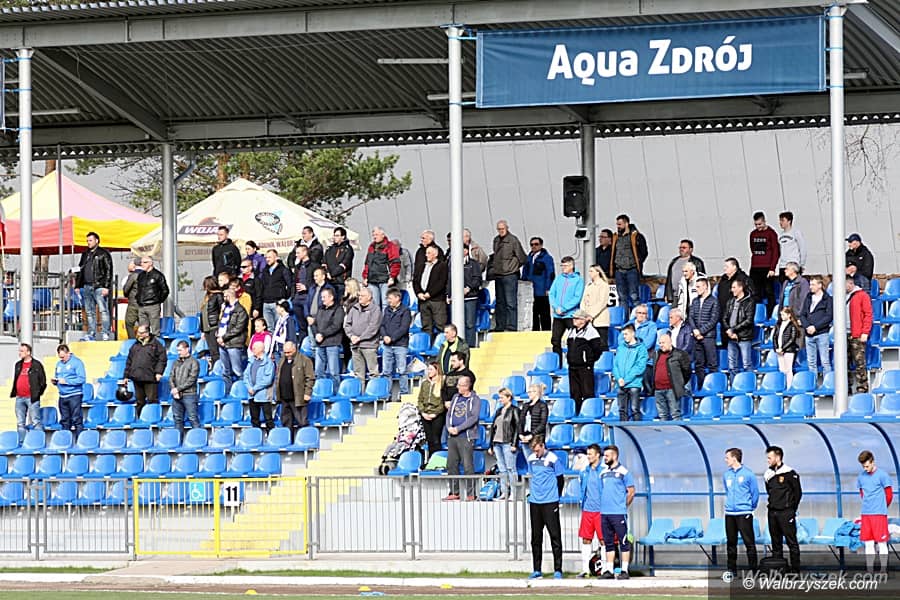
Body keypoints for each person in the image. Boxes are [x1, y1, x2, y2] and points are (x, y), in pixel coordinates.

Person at [526, 438, 565, 580]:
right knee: (536, 538)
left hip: (550, 502)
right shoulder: (531, 459)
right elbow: (533, 476)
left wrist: (556, 497)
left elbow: (560, 479)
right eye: (534, 451)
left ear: (543, 446)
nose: (536, 453)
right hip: (535, 502)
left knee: (555, 536)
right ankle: (537, 570)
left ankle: (558, 569)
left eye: (537, 450)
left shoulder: (553, 459)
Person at [596, 445, 636, 580]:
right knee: (608, 543)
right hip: (605, 513)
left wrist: (622, 506)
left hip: (618, 513)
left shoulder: (624, 472)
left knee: (623, 541)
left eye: (607, 456)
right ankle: (609, 570)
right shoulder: (603, 473)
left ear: (614, 456)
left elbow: (631, 492)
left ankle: (624, 570)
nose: (605, 458)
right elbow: (601, 490)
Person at [443, 375, 482, 502]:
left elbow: (473, 418)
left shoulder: (475, 399)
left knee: (467, 465)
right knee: (451, 464)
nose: (457, 387)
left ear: (467, 386)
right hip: (452, 436)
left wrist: (459, 428)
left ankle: (471, 493)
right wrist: (449, 427)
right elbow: (449, 415)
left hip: (466, 437)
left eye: (460, 385)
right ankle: (454, 492)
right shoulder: (455, 397)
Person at [764, 445, 803, 574]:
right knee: (776, 542)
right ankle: (778, 570)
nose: (768, 460)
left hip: (786, 512)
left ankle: (795, 571)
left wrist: (791, 509)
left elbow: (798, 493)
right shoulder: (768, 474)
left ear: (778, 457)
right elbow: (769, 491)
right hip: (772, 512)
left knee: (792, 542)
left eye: (770, 458)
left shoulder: (790, 473)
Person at [723, 447, 759, 575]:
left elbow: (755, 493)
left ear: (734, 458)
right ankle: (731, 570)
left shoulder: (749, 474)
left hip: (744, 513)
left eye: (727, 457)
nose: (725, 460)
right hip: (729, 514)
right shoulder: (726, 475)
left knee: (749, 543)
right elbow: (727, 491)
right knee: (731, 543)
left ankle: (753, 570)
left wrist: (749, 507)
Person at [857, 450, 893, 575]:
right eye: (863, 466)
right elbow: (862, 493)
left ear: (872, 462)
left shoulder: (883, 475)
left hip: (879, 514)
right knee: (868, 543)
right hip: (866, 514)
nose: (865, 469)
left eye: (867, 466)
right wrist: (869, 505)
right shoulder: (861, 477)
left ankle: (883, 570)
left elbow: (889, 495)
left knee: (882, 543)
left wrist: (881, 507)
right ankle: (870, 570)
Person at [76, 231, 114, 341]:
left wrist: (106, 286)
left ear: (96, 241)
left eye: (90, 240)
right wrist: (78, 285)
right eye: (87, 241)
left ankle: (105, 332)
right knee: (89, 312)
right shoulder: (85, 254)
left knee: (103, 310)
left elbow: (109, 270)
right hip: (87, 286)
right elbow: (80, 269)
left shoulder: (104, 253)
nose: (88, 242)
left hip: (99, 286)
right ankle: (91, 333)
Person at [566, 310, 604, 415]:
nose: (574, 320)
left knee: (587, 392)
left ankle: (589, 414)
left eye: (576, 318)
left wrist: (588, 361)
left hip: (585, 368)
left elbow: (597, 349)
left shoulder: (591, 332)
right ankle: (577, 413)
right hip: (572, 367)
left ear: (583, 320)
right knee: (574, 393)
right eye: (574, 318)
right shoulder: (571, 331)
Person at [491, 220, 527, 332]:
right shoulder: (496, 240)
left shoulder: (513, 240)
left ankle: (511, 326)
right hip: (498, 275)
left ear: (507, 228)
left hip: (510, 275)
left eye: (502, 229)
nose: (501, 231)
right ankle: (500, 326)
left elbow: (522, 257)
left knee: (511, 302)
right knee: (500, 302)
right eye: (499, 229)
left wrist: (513, 267)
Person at [123, 325, 166, 418]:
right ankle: (140, 419)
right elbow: (129, 361)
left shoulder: (156, 345)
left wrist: (159, 372)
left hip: (150, 377)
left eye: (141, 333)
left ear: (147, 333)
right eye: (138, 332)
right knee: (139, 402)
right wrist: (126, 376)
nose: (139, 334)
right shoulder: (135, 345)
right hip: (137, 377)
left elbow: (162, 360)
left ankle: (153, 419)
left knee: (152, 400)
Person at [608, 214, 649, 311]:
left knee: (634, 296)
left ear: (626, 224)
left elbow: (644, 252)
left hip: (632, 269)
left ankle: (637, 316)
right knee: (622, 297)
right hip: (619, 270)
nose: (618, 227)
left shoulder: (636, 236)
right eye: (617, 224)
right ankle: (624, 317)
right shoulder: (616, 237)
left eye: (620, 224)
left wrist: (637, 262)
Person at [548, 256, 583, 363]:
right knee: (555, 340)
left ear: (572, 266)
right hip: (558, 316)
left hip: (571, 315)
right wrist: (556, 307)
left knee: (574, 340)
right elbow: (552, 294)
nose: (563, 268)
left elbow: (577, 297)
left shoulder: (578, 280)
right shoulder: (559, 278)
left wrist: (564, 308)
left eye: (565, 266)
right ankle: (557, 363)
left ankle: (574, 362)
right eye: (562, 265)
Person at [343, 286, 382, 385]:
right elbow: (347, 325)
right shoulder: (354, 308)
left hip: (369, 346)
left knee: (373, 373)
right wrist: (351, 336)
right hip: (355, 345)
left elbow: (373, 328)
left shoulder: (375, 310)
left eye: (362, 296)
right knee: (358, 375)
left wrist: (360, 338)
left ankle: (374, 392)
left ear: (369, 297)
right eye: (359, 295)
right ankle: (361, 393)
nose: (360, 297)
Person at [577, 444, 605, 579]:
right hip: (587, 510)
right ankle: (585, 570)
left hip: (601, 511)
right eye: (587, 454)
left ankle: (605, 569)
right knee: (586, 539)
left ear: (597, 455)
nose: (588, 456)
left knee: (603, 540)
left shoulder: (603, 471)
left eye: (590, 454)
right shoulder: (584, 471)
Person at [276, 341, 315, 434]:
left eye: (289, 352)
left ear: (294, 349)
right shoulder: (282, 360)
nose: (287, 354)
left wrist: (307, 393)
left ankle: (305, 440)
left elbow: (310, 378)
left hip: (298, 397)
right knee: (286, 424)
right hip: (284, 397)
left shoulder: (305, 360)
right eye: (285, 352)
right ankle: (288, 440)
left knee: (302, 422)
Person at [488, 387, 519, 500]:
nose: (500, 400)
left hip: (508, 442)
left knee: (511, 468)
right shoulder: (498, 411)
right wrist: (491, 445)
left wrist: (514, 444)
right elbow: (493, 428)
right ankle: (504, 492)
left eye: (502, 397)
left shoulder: (515, 410)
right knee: (502, 469)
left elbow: (517, 428)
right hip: (497, 442)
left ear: (509, 397)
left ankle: (514, 493)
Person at [449, 245, 483, 348]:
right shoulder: (452, 263)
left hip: (470, 298)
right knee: (457, 323)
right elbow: (449, 279)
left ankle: (470, 346)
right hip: (456, 299)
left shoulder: (473, 264)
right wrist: (448, 294)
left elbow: (477, 279)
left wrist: (469, 288)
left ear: (466, 251)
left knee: (469, 323)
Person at [10, 343, 46, 442]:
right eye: (19, 351)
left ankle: (39, 442)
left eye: (22, 351)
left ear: (28, 352)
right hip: (19, 397)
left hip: (32, 398)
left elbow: (43, 382)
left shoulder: (37, 365)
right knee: (20, 423)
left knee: (36, 422)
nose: (19, 353)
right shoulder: (18, 365)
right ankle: (22, 443)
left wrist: (37, 394)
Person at [217, 288, 249, 393]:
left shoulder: (240, 310)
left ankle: (241, 391)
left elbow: (238, 328)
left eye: (224, 296)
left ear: (229, 296)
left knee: (237, 370)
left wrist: (224, 338)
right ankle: (228, 392)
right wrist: (218, 335)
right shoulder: (225, 309)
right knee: (225, 371)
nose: (223, 299)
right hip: (222, 343)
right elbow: (221, 324)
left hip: (234, 344)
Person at [689, 277, 720, 387]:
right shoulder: (695, 301)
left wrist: (700, 331)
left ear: (705, 287)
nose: (696, 289)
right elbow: (691, 317)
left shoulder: (714, 301)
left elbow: (713, 320)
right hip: (696, 337)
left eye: (698, 287)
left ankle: (714, 387)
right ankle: (701, 387)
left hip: (709, 337)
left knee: (712, 364)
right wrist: (695, 330)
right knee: (699, 364)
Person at [381, 289, 412, 398]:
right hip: (387, 346)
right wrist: (384, 336)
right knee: (386, 371)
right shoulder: (387, 310)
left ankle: (404, 394)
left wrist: (392, 338)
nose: (388, 301)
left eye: (390, 298)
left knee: (402, 371)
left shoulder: (405, 310)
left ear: (397, 298)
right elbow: (382, 325)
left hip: (400, 345)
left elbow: (404, 328)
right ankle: (387, 395)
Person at [799, 275, 833, 375]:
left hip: (822, 334)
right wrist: (807, 326)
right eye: (810, 284)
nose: (810, 287)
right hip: (808, 334)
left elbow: (829, 317)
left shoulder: (828, 299)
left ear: (820, 285)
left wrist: (815, 327)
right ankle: (813, 381)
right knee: (811, 362)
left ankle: (828, 382)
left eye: (813, 284)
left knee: (825, 361)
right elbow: (802, 314)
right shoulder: (808, 298)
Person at [414, 245, 448, 342]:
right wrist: (418, 293)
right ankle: (427, 344)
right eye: (426, 253)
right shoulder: (421, 266)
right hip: (423, 301)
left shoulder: (442, 266)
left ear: (435, 254)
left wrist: (430, 293)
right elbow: (415, 281)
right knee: (426, 326)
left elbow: (441, 282)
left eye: (429, 253)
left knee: (440, 325)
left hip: (437, 300)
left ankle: (442, 346)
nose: (426, 255)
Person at [654, 333, 692, 421]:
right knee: (662, 415)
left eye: (663, 343)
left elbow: (687, 371)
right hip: (658, 390)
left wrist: (679, 383)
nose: (661, 345)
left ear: (670, 342)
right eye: (660, 343)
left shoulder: (680, 354)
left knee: (675, 414)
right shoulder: (656, 354)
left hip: (672, 389)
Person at [312, 288, 345, 390]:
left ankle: (335, 391)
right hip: (320, 344)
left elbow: (336, 325)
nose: (322, 299)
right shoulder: (321, 309)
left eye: (324, 297)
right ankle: (320, 391)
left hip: (332, 343)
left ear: (331, 297)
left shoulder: (338, 309)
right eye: (321, 297)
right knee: (318, 371)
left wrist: (323, 334)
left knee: (333, 371)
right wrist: (316, 334)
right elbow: (314, 324)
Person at [614, 324, 648, 421]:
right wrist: (619, 378)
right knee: (622, 410)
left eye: (626, 334)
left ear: (633, 333)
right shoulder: (621, 347)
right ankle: (623, 430)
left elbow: (640, 367)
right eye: (623, 334)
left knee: (634, 409)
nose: (624, 336)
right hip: (621, 384)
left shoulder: (641, 348)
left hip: (634, 384)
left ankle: (637, 429)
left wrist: (625, 380)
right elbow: (615, 365)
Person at [362, 226, 401, 310]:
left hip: (385, 280)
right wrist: (365, 277)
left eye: (376, 235)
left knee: (385, 303)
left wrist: (392, 277)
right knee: (374, 305)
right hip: (372, 280)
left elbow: (395, 263)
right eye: (373, 235)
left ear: (383, 235)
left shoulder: (390, 246)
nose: (374, 237)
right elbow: (367, 263)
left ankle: (385, 318)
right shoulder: (371, 247)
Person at [521, 237, 555, 332]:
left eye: (536, 244)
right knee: (533, 312)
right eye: (532, 244)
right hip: (530, 291)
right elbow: (525, 272)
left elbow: (550, 273)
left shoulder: (546, 258)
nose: (534, 246)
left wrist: (548, 287)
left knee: (544, 312)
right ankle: (534, 330)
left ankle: (546, 330)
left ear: (541, 245)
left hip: (542, 290)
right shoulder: (529, 258)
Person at [53, 344, 86, 439]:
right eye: (60, 357)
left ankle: (79, 440)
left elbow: (82, 379)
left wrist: (67, 381)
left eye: (63, 357)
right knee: (64, 420)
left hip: (74, 395)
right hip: (62, 396)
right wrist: (55, 382)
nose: (62, 359)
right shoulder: (59, 364)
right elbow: (57, 377)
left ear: (68, 353)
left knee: (76, 419)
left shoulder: (77, 363)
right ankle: (66, 441)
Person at [723, 279, 755, 377]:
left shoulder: (749, 302)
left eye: (734, 287)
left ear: (741, 288)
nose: (732, 290)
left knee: (747, 364)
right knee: (732, 366)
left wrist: (733, 330)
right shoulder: (730, 301)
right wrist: (729, 330)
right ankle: (734, 384)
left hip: (744, 337)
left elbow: (748, 320)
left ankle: (749, 383)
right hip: (731, 337)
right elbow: (724, 318)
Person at [847, 277, 874, 393]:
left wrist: (865, 332)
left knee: (859, 362)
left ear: (850, 283)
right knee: (844, 362)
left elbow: (868, 314)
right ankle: (846, 387)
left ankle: (862, 387)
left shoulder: (862, 295)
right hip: (843, 334)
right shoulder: (840, 296)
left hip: (856, 334)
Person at [748, 211, 780, 309]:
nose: (758, 227)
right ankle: (757, 312)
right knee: (755, 291)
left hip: (767, 267)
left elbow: (776, 252)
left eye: (760, 224)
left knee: (769, 291)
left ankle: (770, 313)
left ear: (764, 221)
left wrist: (772, 268)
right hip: (755, 267)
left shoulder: (771, 233)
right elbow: (752, 248)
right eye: (756, 224)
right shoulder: (753, 234)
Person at [170, 340, 200, 437]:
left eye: (180, 350)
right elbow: (171, 377)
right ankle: (178, 440)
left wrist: (177, 389)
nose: (179, 352)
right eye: (178, 350)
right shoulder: (175, 362)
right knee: (177, 419)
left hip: (189, 394)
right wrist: (174, 389)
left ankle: (198, 439)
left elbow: (192, 380)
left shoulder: (194, 362)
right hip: (176, 395)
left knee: (193, 418)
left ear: (187, 349)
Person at [244, 340, 276, 430]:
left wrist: (254, 389)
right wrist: (249, 388)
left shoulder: (268, 362)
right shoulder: (251, 361)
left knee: (268, 419)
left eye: (254, 348)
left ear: (261, 349)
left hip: (264, 395)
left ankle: (271, 435)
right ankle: (255, 435)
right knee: (254, 419)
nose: (252, 349)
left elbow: (268, 380)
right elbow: (245, 376)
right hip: (252, 396)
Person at [417, 362, 445, 459]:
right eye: (428, 369)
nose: (429, 371)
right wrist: (423, 412)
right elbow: (420, 399)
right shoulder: (425, 383)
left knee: (436, 439)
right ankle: (430, 459)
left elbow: (442, 402)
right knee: (429, 439)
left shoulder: (442, 383)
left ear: (437, 370)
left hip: (437, 415)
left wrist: (435, 413)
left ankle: (437, 459)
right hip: (425, 414)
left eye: (431, 369)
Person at [259, 249, 293, 330]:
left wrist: (285, 298)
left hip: (277, 303)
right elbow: (262, 285)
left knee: (280, 327)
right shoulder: (265, 271)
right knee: (269, 328)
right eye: (266, 257)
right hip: (266, 303)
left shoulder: (283, 270)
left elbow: (290, 285)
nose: (267, 259)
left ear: (276, 257)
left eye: (270, 257)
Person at [664, 239, 706, 304]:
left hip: (689, 296)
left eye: (684, 248)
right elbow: (669, 279)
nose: (681, 249)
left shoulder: (697, 262)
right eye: (680, 247)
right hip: (674, 296)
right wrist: (667, 294)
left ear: (691, 249)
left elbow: (702, 279)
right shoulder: (674, 261)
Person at [135, 256, 169, 336]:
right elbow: (138, 289)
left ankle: (155, 343)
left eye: (144, 262)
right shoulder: (141, 276)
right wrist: (138, 299)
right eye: (141, 262)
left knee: (155, 331)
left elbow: (165, 290)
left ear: (150, 263)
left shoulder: (157, 275)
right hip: (142, 306)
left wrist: (157, 301)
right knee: (142, 330)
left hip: (153, 306)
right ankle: (144, 343)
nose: (142, 264)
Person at [580, 264, 611, 348]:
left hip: (600, 320)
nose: (589, 273)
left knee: (602, 344)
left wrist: (591, 315)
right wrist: (584, 314)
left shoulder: (604, 285)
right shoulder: (588, 286)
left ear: (598, 272)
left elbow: (602, 302)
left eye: (591, 271)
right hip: (588, 320)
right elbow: (583, 301)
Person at [290, 244, 314, 345]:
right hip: (297, 299)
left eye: (298, 253)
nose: (296, 255)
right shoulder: (298, 267)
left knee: (309, 323)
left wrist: (306, 287)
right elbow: (294, 282)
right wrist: (293, 296)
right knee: (301, 326)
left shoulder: (313, 266)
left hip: (308, 298)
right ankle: (303, 345)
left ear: (305, 252)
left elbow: (317, 281)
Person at [773, 306, 803, 388]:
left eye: (783, 314)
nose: (782, 316)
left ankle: (789, 387)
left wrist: (783, 348)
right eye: (781, 315)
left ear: (789, 315)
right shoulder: (779, 324)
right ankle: (783, 386)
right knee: (782, 369)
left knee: (788, 369)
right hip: (779, 350)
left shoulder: (792, 325)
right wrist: (776, 348)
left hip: (789, 350)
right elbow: (775, 336)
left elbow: (792, 339)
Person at [324, 226, 354, 301]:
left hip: (341, 282)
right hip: (329, 282)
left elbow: (344, 264)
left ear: (343, 237)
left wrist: (332, 274)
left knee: (340, 302)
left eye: (337, 235)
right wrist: (327, 273)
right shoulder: (329, 249)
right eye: (334, 235)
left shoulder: (348, 249)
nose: (335, 237)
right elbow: (324, 263)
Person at [199, 275, 224, 365]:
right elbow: (203, 314)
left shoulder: (218, 296)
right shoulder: (207, 296)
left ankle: (217, 367)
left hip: (214, 326)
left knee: (215, 351)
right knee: (212, 350)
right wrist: (202, 330)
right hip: (207, 328)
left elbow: (222, 312)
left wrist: (219, 327)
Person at [777, 211, 807, 281]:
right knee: (783, 284)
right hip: (783, 265)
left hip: (793, 264)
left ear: (789, 221)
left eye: (783, 220)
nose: (780, 223)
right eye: (780, 220)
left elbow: (802, 248)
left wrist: (801, 264)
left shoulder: (796, 232)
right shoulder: (780, 235)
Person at [122, 258, 142, 340]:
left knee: (129, 323)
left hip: (134, 303)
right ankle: (144, 341)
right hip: (146, 304)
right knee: (143, 324)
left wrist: (127, 295)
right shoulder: (149, 275)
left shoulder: (133, 275)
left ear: (134, 265)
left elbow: (126, 289)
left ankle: (132, 341)